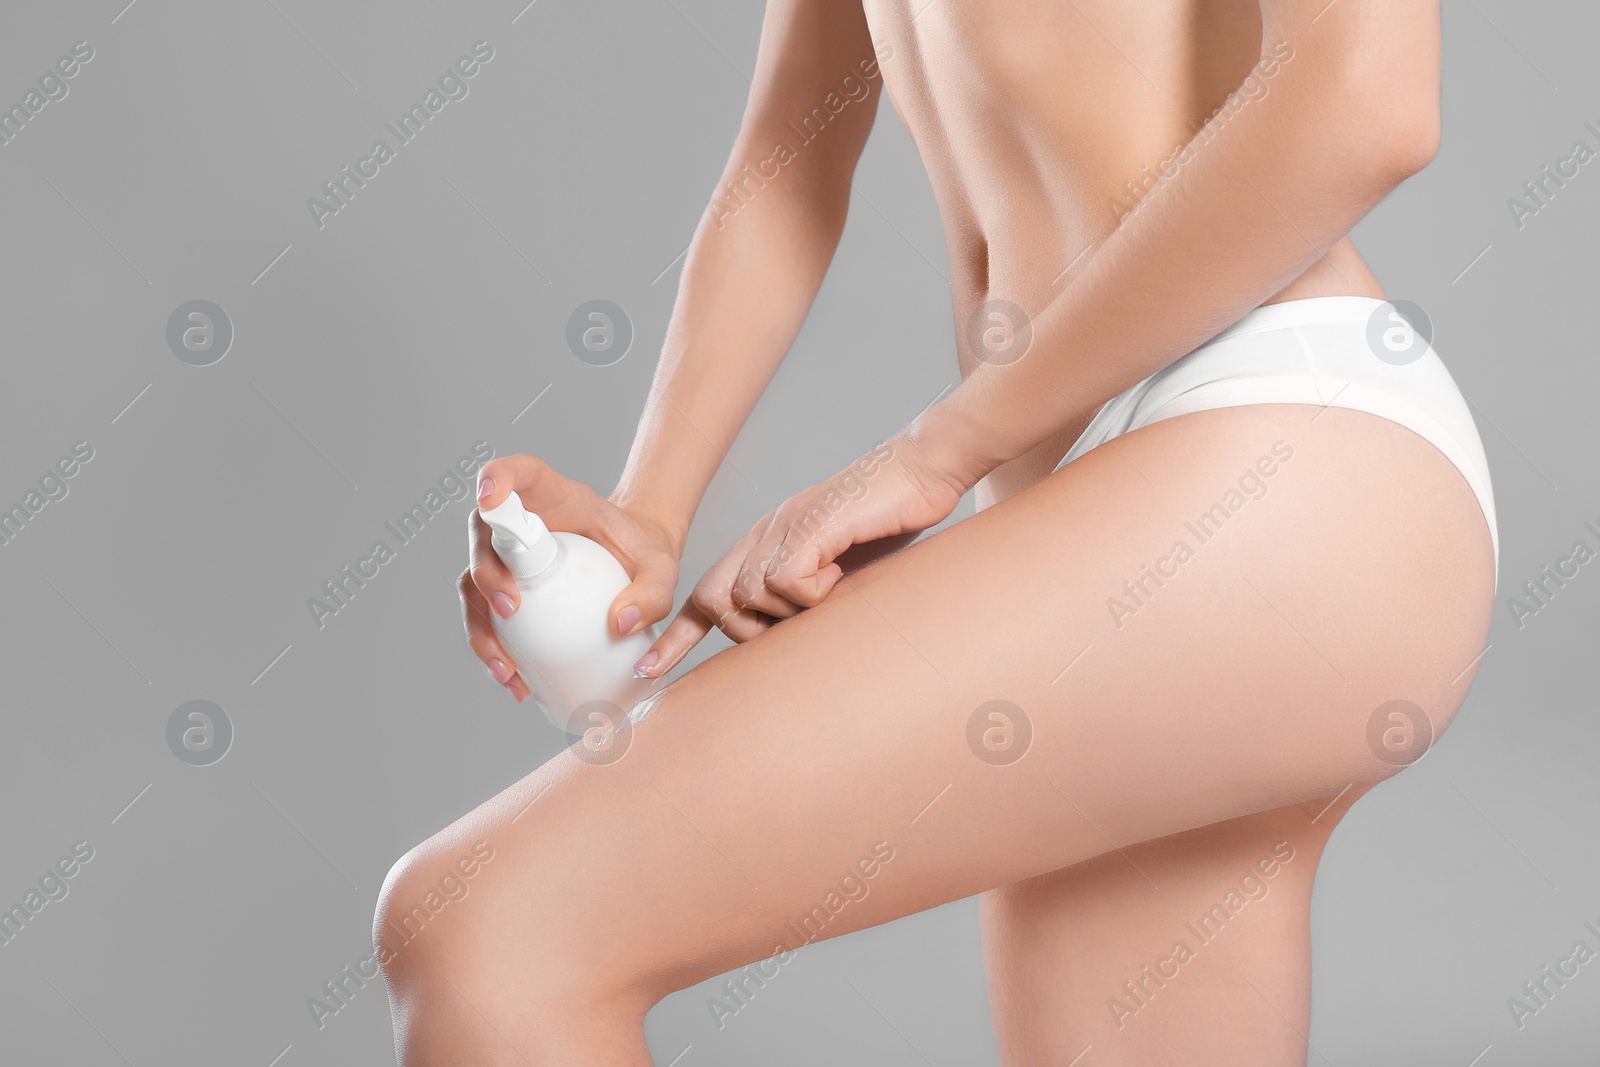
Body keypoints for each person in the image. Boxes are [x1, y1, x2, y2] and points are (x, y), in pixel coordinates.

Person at [376, 1, 1495, 1063]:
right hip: (1107, 499)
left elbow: (1368, 101)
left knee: (487, 928)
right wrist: (647, 509)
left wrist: (939, 449)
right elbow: (789, 159)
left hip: (1276, 444)